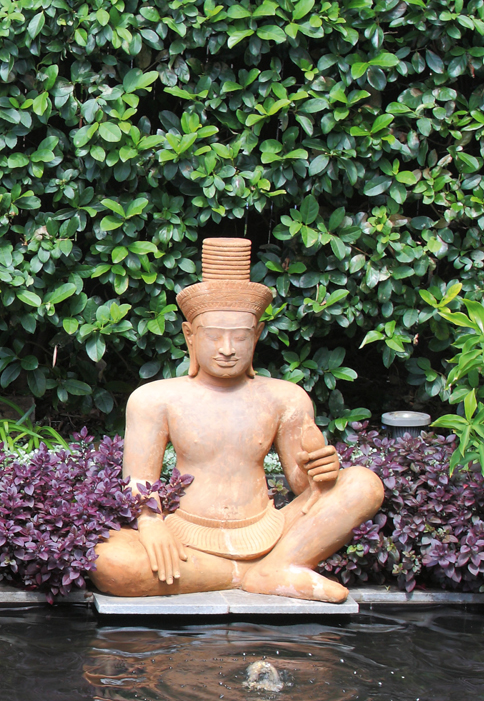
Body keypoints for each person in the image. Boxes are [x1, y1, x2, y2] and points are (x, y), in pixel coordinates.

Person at [91, 238, 384, 602]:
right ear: (190, 336)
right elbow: (139, 480)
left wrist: (321, 472)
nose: (227, 349)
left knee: (363, 484)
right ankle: (260, 573)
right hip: (187, 538)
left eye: (240, 337)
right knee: (110, 560)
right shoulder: (155, 399)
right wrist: (151, 523)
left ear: (256, 336)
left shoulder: (286, 398)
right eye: (214, 336)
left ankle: (271, 566)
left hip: (271, 531)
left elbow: (303, 486)